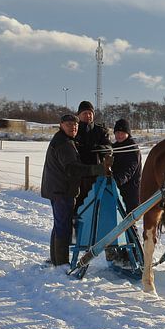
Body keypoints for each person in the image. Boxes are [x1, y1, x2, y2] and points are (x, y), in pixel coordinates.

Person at [41, 113, 112, 266]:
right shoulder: (64, 144)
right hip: (62, 190)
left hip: (58, 189)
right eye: (69, 125)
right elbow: (72, 169)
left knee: (60, 223)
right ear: (61, 125)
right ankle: (61, 263)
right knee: (63, 226)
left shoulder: (66, 140)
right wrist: (98, 169)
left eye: (75, 125)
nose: (73, 127)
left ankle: (56, 260)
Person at [74, 100, 112, 210]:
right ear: (79, 115)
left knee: (94, 206)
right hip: (78, 177)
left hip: (96, 175)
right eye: (84, 113)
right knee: (78, 207)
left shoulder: (101, 131)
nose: (88, 116)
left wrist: (100, 149)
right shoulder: (74, 130)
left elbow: (109, 148)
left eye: (90, 113)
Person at [111, 118, 142, 214]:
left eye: (122, 133)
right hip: (117, 187)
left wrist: (118, 180)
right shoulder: (114, 147)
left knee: (129, 218)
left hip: (131, 188)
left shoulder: (132, 148)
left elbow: (130, 168)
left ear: (128, 133)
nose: (119, 135)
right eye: (117, 133)